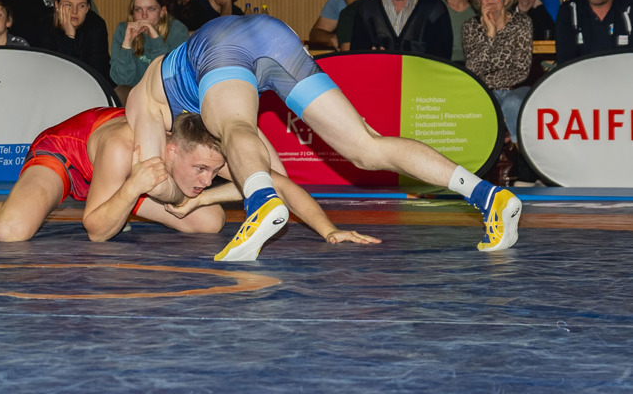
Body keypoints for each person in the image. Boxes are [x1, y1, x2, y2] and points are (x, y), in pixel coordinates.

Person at [126, 14, 522, 262]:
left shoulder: (143, 102)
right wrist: (326, 229)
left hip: (220, 43)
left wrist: (196, 196)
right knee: (366, 146)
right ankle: (489, 196)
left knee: (232, 127)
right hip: (275, 35)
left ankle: (258, 206)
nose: (202, 178)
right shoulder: (214, 113)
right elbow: (276, 179)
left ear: (172, 146)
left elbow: (156, 181)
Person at [0, 108, 379, 248]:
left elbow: (280, 181)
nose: (206, 178)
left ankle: (126, 204)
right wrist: (133, 186)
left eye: (213, 171)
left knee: (209, 221)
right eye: (199, 170)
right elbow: (93, 232)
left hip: (127, 179)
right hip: (67, 156)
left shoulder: (203, 147)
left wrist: (329, 229)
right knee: (13, 232)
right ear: (170, 151)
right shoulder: (126, 148)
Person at [463, 0, 533, 145]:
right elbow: (473, 70)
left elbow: (521, 70)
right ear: (478, 0)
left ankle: (523, 156)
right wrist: (490, 34)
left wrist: (488, 80)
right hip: (484, 92)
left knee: (511, 104)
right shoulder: (470, 27)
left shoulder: (522, 23)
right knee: (477, 105)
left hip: (516, 89)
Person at [110, 0, 188, 102]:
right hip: (134, 94)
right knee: (120, 91)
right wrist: (127, 44)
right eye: (138, 10)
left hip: (166, 94)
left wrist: (156, 40)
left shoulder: (178, 31)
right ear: (132, 13)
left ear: (162, 11)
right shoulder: (123, 30)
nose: (144, 15)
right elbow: (122, 80)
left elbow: (169, 78)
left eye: (151, 9)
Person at [43, 0, 110, 81]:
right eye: (68, 5)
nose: (74, 11)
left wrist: (70, 35)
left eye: (81, 6)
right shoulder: (46, 25)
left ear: (88, 8)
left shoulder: (96, 26)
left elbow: (96, 72)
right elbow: (51, 70)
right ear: (57, 5)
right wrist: (69, 36)